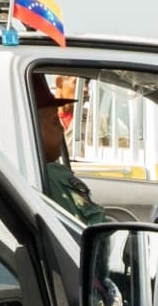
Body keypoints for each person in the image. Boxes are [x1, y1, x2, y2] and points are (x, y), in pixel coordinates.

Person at [35, 77, 110, 224]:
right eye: (55, 121)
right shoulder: (49, 176)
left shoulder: (94, 119)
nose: (61, 128)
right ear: (31, 126)